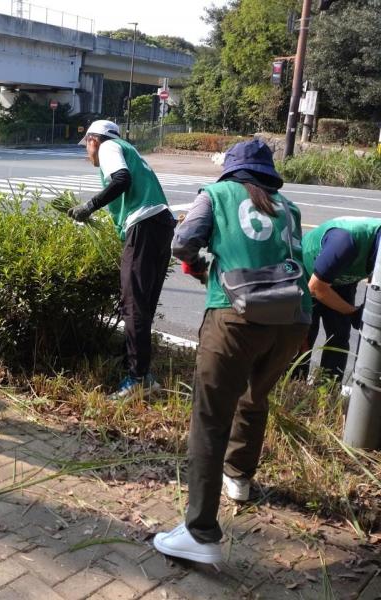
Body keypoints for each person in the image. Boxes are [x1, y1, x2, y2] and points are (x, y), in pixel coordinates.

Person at [153, 139, 311, 564]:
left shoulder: (216, 194)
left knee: (210, 419)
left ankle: (200, 533)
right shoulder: (289, 208)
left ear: (231, 171)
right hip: (292, 320)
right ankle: (239, 477)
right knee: (254, 398)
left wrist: (204, 266)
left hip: (236, 313)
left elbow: (183, 242)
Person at [69, 120, 175, 398]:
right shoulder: (130, 149)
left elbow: (121, 180)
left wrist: (89, 206)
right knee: (143, 302)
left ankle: (138, 378)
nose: (87, 154)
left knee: (133, 303)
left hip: (145, 224)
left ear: (94, 140)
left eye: (87, 147)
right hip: (160, 223)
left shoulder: (109, 147)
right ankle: (141, 370)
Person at [294, 217, 381, 381]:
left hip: (344, 280)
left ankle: (328, 391)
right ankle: (295, 390)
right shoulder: (345, 241)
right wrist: (354, 312)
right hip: (308, 278)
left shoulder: (377, 250)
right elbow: (316, 288)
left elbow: (375, 280)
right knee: (304, 337)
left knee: (339, 337)